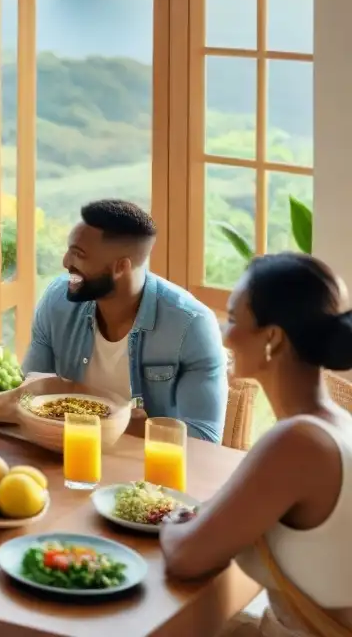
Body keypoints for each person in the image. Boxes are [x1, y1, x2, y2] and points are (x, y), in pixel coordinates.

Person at [160, 253, 352, 637]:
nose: (224, 331)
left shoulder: (298, 442)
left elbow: (184, 556)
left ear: (272, 337)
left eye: (232, 319)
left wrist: (171, 521)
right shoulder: (336, 426)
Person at [22, 199, 227, 443]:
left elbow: (204, 438)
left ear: (120, 267)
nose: (66, 262)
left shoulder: (190, 325)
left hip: (147, 472)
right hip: (64, 453)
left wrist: (110, 423)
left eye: (78, 254)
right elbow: (28, 395)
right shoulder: (57, 301)